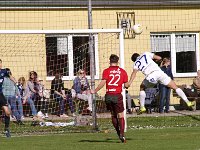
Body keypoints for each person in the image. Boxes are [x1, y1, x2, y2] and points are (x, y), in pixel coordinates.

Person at [127, 52, 195, 114]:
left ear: (134, 60)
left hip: (151, 77)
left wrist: (129, 83)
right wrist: (155, 61)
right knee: (175, 87)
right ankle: (188, 102)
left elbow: (134, 73)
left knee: (142, 87)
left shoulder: (136, 63)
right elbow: (159, 58)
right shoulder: (145, 54)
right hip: (159, 73)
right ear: (139, 55)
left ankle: (142, 107)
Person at [91, 54, 129, 143]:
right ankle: (122, 134)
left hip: (108, 95)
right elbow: (126, 85)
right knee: (121, 115)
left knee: (113, 115)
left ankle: (118, 132)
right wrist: (128, 83)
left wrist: (95, 90)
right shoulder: (122, 71)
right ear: (117, 61)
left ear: (110, 61)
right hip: (117, 95)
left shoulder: (106, 71)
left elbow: (103, 82)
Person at [0, 59, 17, 137]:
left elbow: (11, 77)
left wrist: (15, 81)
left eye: (0, 63)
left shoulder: (4, 71)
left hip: (0, 95)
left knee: (7, 112)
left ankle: (6, 129)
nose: (0, 65)